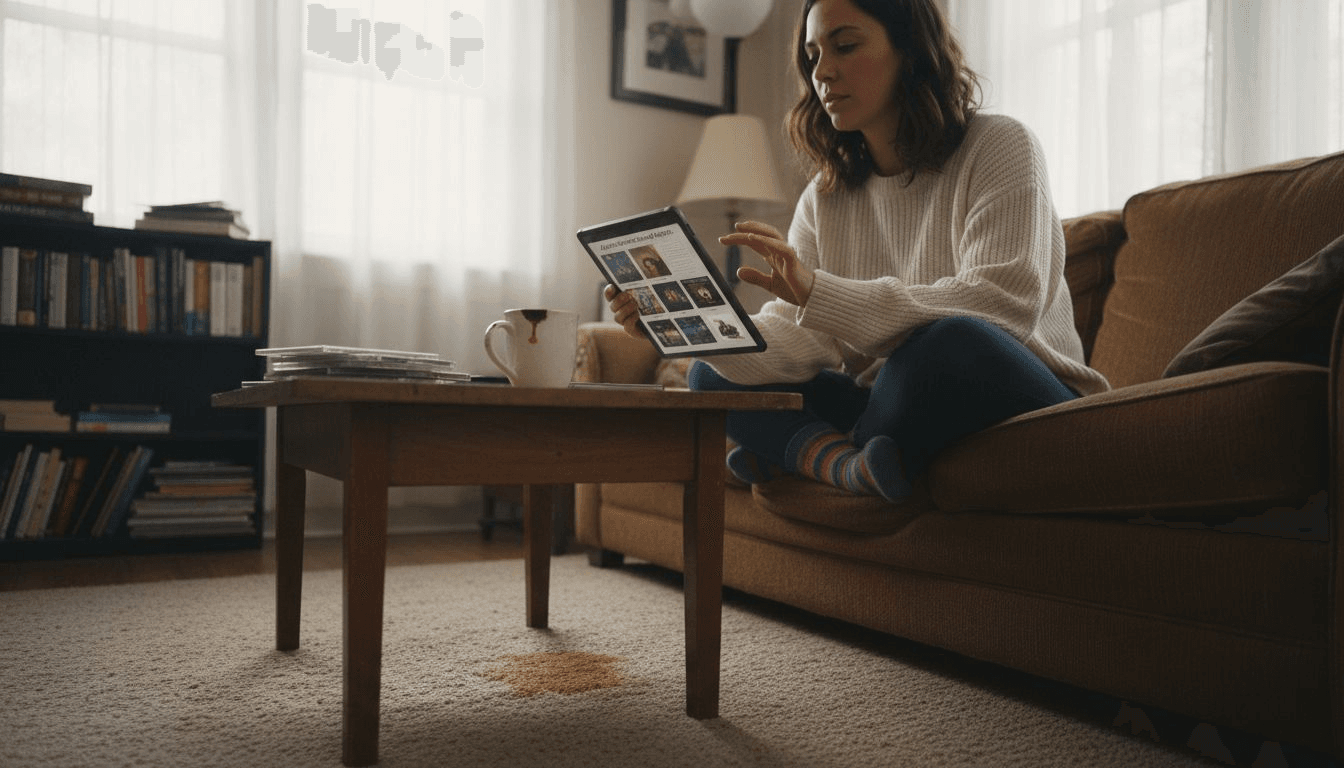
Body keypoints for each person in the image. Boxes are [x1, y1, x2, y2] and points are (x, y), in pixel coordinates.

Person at [605, 0, 1110, 503]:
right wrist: (690, 329)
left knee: (946, 344)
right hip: (887, 401)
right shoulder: (825, 197)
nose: (822, 71)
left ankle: (799, 454)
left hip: (1016, 386)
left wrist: (820, 291)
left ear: (910, 49)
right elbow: (803, 339)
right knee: (710, 372)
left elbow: (1005, 305)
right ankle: (847, 465)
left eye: (845, 45)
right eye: (813, 54)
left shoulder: (1001, 145)